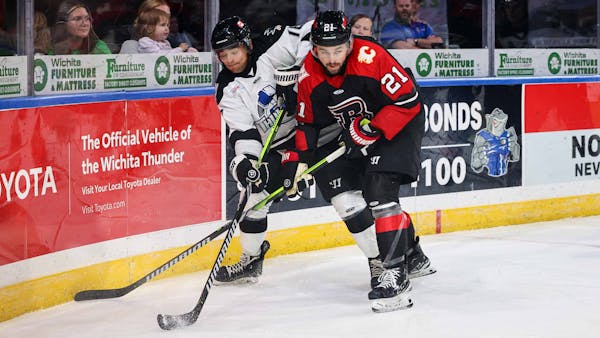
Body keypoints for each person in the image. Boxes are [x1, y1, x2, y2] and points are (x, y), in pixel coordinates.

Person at [283, 10, 435, 313]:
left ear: (349, 42)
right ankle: (412, 254)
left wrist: (373, 128)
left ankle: (395, 275)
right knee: (345, 195)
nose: (331, 57)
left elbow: (407, 100)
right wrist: (299, 161)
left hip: (399, 124)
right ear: (313, 48)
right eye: (324, 51)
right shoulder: (308, 74)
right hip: (355, 131)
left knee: (379, 192)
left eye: (338, 49)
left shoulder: (370, 56)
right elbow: (308, 124)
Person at [210, 16, 313, 284]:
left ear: (247, 45)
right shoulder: (227, 89)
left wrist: (296, 76)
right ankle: (251, 260)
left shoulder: (272, 44)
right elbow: (244, 132)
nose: (230, 59)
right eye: (224, 54)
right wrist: (248, 162)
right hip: (278, 146)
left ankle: (404, 252)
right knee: (253, 197)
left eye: (234, 51)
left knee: (349, 197)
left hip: (313, 132)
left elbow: (313, 32)